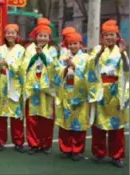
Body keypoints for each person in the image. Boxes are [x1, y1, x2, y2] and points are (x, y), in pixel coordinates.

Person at [87, 20, 129, 168]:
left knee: (116, 127)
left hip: (115, 92)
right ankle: (99, 153)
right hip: (100, 91)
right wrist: (98, 53)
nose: (109, 38)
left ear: (117, 37)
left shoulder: (120, 50)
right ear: (102, 37)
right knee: (98, 126)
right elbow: (90, 66)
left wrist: (124, 55)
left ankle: (117, 155)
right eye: (106, 35)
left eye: (112, 35)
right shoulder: (97, 49)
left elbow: (126, 70)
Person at [21, 18, 58, 155]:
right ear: (35, 37)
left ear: (49, 38)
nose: (42, 38)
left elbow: (55, 67)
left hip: (46, 89)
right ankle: (33, 144)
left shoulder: (53, 51)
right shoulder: (29, 49)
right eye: (40, 35)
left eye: (45, 36)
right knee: (32, 118)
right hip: (33, 88)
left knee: (46, 118)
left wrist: (42, 56)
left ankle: (45, 144)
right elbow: (23, 66)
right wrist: (33, 57)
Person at [54, 32, 90, 161]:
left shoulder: (86, 58)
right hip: (66, 94)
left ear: (81, 45)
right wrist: (65, 68)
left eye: (75, 43)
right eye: (70, 44)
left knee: (79, 124)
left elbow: (89, 75)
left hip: (79, 94)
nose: (73, 46)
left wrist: (74, 66)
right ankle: (66, 148)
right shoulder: (64, 57)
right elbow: (57, 75)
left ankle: (78, 150)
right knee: (65, 123)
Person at [0, 24, 26, 153]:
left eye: (13, 33)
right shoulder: (0, 49)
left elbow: (22, 66)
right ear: (4, 35)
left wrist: (8, 63)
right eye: (8, 33)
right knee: (0, 115)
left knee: (16, 115)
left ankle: (18, 141)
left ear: (17, 35)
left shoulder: (21, 50)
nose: (10, 35)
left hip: (14, 85)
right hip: (1, 84)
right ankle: (0, 141)